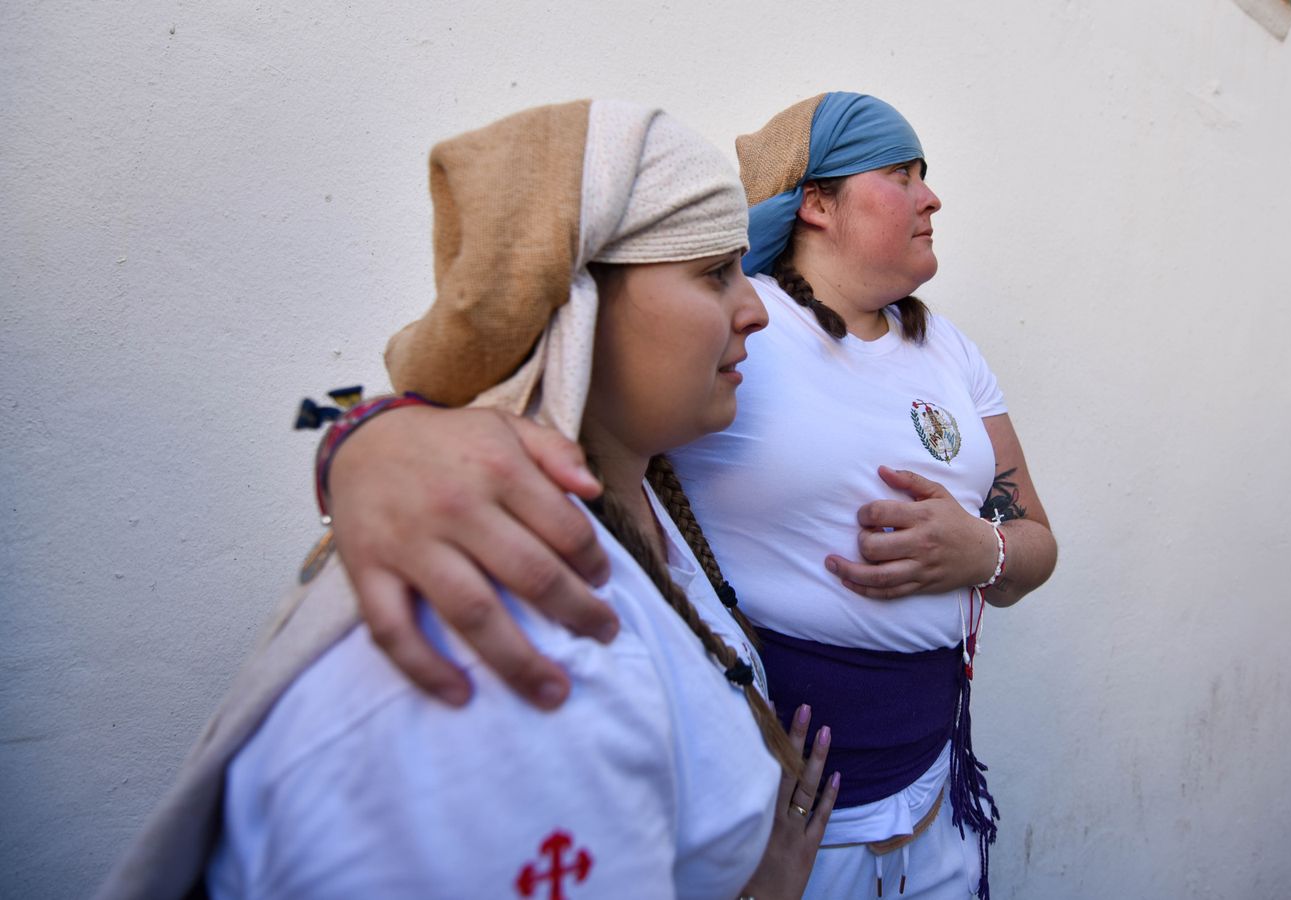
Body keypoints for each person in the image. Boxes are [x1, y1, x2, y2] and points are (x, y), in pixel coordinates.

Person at [95, 99, 841, 900]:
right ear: (576, 308)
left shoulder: (647, 501)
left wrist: (360, 432)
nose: (755, 306)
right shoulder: (517, 633)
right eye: (712, 271)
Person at [324, 92, 1058, 899]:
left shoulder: (946, 347)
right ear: (817, 202)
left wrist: (983, 548)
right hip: (804, 834)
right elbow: (467, 376)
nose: (931, 196)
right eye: (900, 173)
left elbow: (1033, 538)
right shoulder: (749, 338)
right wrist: (360, 439)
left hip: (937, 788)